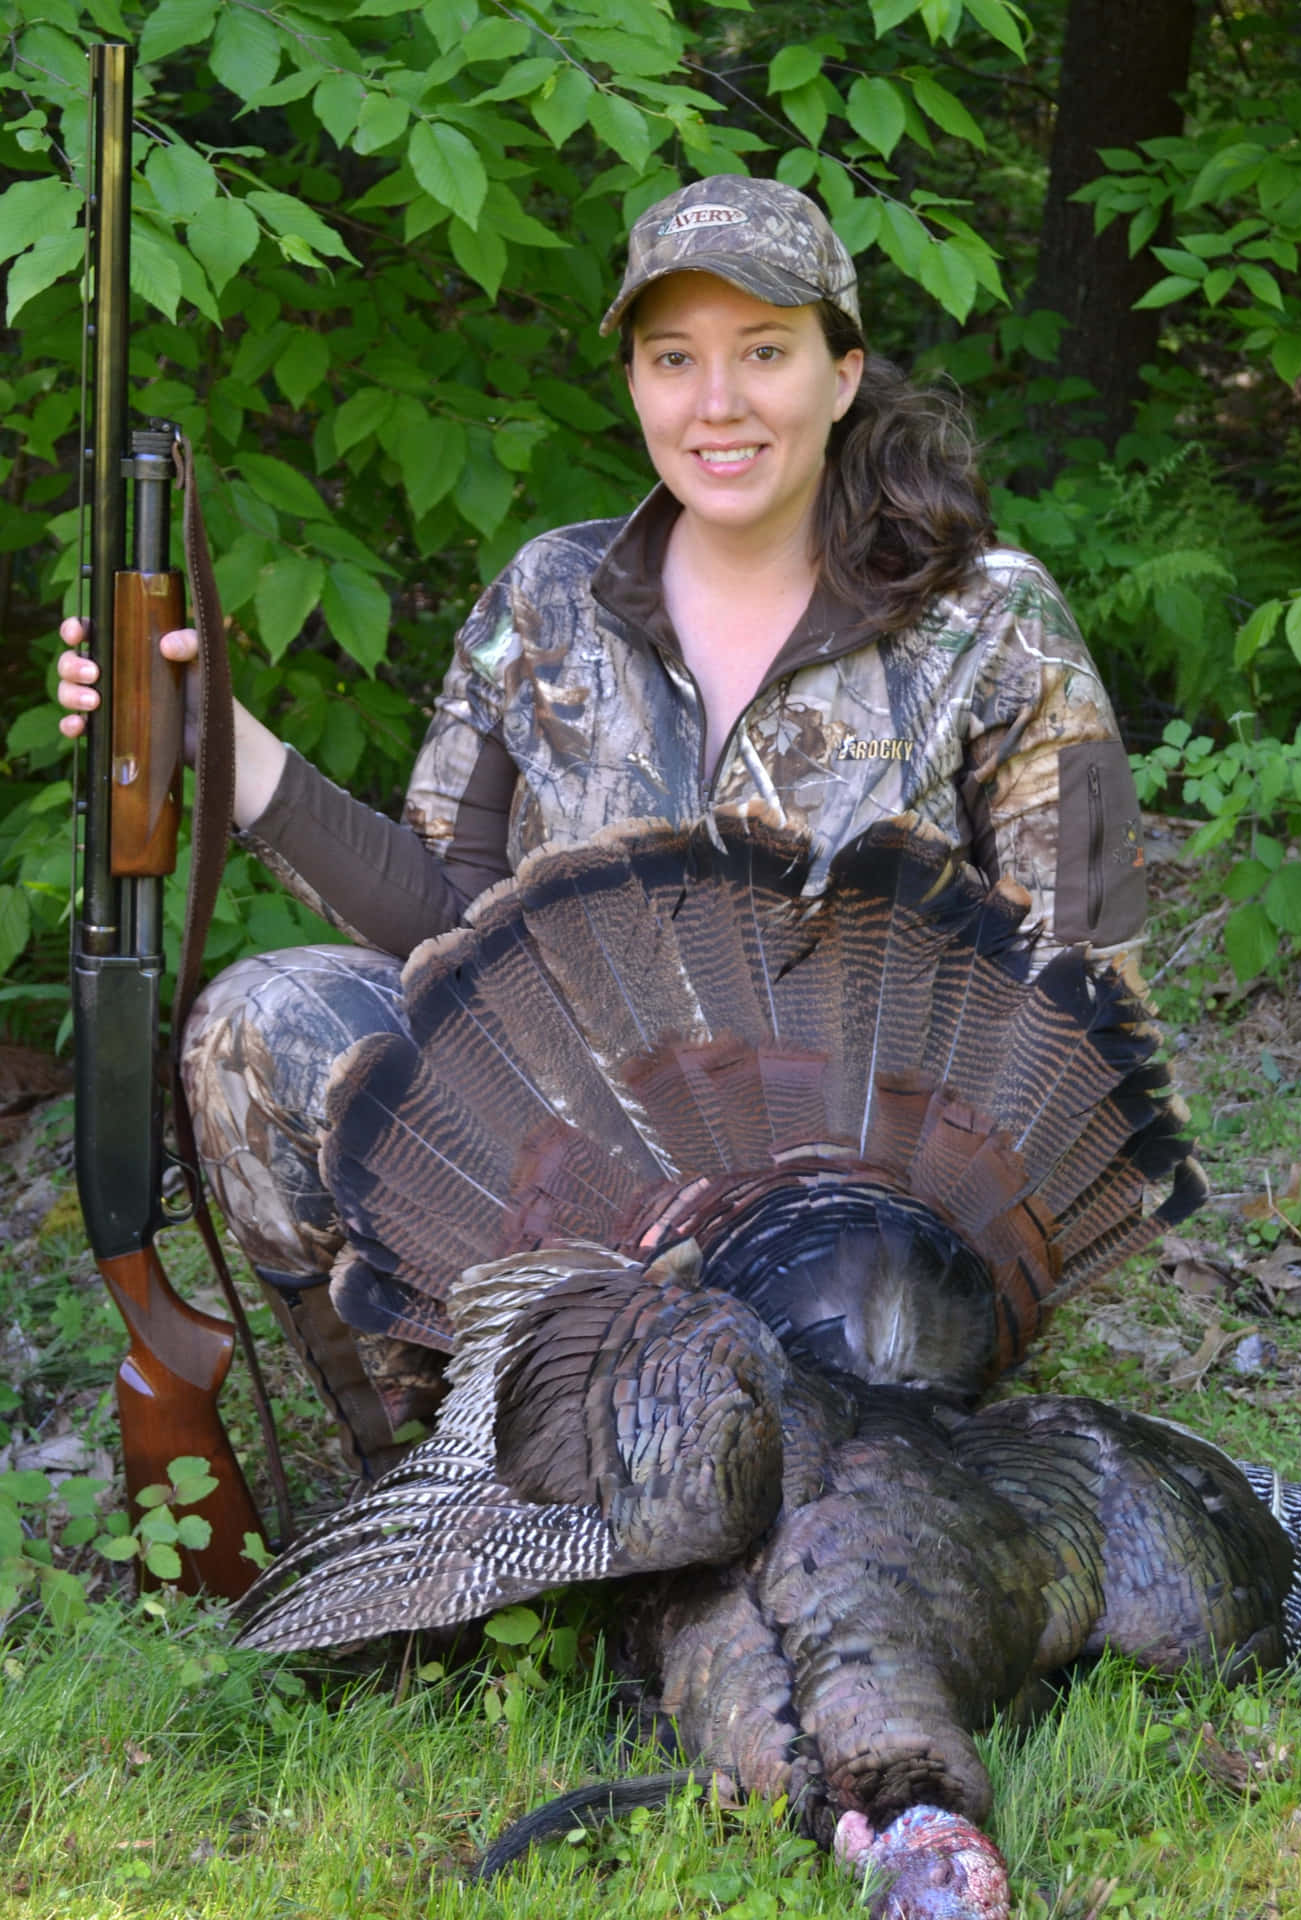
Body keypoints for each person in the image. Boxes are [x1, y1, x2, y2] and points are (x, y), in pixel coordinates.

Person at [57, 174, 1148, 1479]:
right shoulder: (550, 598)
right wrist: (216, 746)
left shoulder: (994, 618)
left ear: (843, 376)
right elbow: (448, 927)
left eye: (764, 353)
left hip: (864, 1221)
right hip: (587, 1179)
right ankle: (444, 1483)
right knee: (264, 1017)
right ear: (633, 382)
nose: (717, 403)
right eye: (673, 358)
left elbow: (1091, 973)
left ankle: (821, 1480)